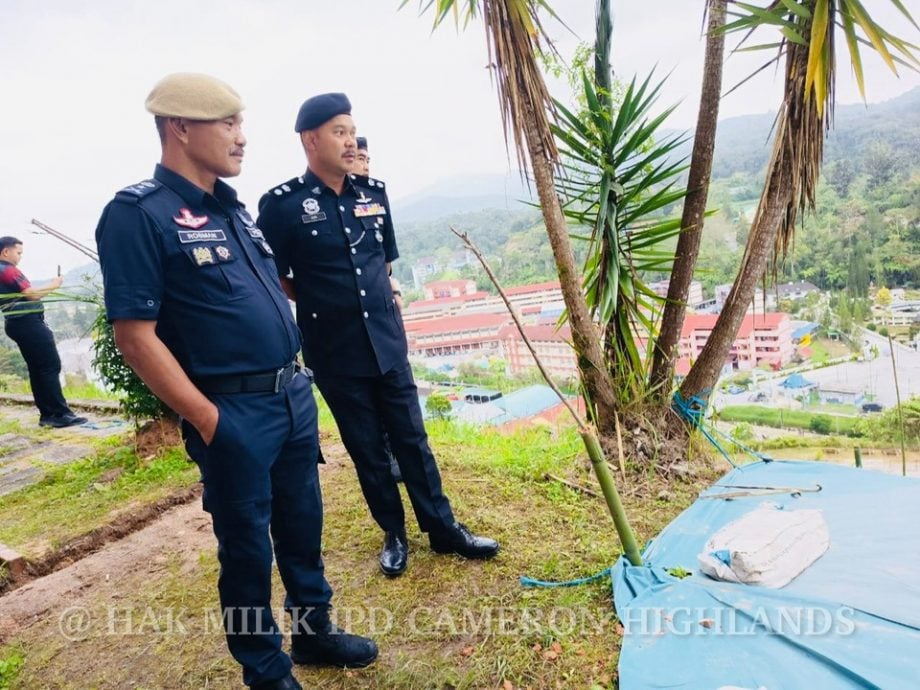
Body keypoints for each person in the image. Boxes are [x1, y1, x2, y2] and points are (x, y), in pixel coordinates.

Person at [94, 74, 376, 690]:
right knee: (247, 549)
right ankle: (267, 672)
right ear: (180, 128)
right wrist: (205, 417)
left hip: (290, 398)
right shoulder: (138, 214)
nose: (242, 137)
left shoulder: (232, 207)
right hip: (231, 411)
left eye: (241, 124)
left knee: (303, 525)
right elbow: (135, 336)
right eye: (228, 124)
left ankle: (314, 633)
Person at [257, 93, 499, 579]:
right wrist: (322, 298)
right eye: (339, 132)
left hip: (386, 340)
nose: (350, 141)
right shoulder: (281, 206)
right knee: (366, 447)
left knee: (413, 439)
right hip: (334, 349)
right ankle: (394, 532)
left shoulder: (374, 194)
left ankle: (444, 528)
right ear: (310, 139)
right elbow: (274, 275)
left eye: (352, 131)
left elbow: (382, 262)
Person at [354, 136, 403, 483]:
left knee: (394, 390)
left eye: (367, 158)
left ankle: (395, 451)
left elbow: (385, 261)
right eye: (359, 158)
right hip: (345, 328)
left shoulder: (374, 198)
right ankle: (382, 455)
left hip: (382, 315)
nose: (364, 164)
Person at [0, 237, 87, 428]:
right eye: (18, 252)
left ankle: (47, 414)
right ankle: (60, 414)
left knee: (37, 369)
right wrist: (55, 284)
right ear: (6, 252)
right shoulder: (7, 269)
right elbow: (32, 294)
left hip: (15, 324)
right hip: (28, 324)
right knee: (49, 365)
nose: (20, 257)